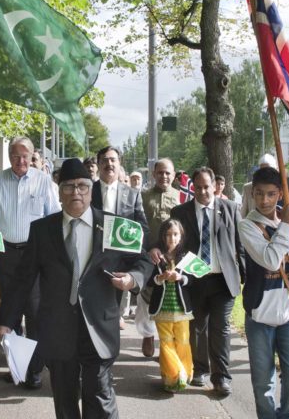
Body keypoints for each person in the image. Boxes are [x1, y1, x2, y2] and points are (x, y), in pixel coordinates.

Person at [0, 158, 154, 419]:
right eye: (68, 187)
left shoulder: (113, 226)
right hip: (58, 326)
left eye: (82, 187)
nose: (75, 193)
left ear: (90, 190)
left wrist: (133, 279)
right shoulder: (43, 229)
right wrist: (6, 321)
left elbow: (142, 260)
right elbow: (23, 279)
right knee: (64, 393)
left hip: (99, 324)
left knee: (99, 396)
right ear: (59, 191)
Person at [238, 166, 289, 419]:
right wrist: (285, 228)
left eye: (271, 194)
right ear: (253, 194)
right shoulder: (247, 225)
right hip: (260, 316)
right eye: (259, 194)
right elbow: (268, 258)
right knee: (262, 385)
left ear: (279, 194)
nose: (265, 200)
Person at [0, 137, 60, 389]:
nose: (20, 160)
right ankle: (18, 366)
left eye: (25, 155)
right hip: (6, 255)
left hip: (35, 256)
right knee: (10, 313)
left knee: (34, 312)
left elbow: (55, 218)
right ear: (9, 156)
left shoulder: (43, 181)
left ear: (33, 155)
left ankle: (34, 371)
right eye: (15, 155)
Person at [155, 167, 243, 397]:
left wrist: (242, 275)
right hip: (193, 279)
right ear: (192, 187)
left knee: (221, 328)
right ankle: (200, 369)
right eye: (199, 187)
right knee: (198, 327)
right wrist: (157, 252)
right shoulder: (180, 212)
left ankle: (221, 377)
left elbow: (239, 245)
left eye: (207, 186)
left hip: (223, 280)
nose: (203, 191)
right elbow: (170, 241)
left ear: (215, 185)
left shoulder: (230, 209)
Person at [90, 146, 149, 326]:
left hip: (119, 262)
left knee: (113, 311)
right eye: (105, 160)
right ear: (99, 164)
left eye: (113, 160)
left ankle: (110, 349)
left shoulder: (132, 194)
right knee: (92, 310)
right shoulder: (87, 191)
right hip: (91, 260)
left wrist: (133, 240)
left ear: (119, 163)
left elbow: (143, 227)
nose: (109, 164)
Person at [137, 158, 180, 358]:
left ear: (174, 175)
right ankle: (147, 334)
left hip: (171, 256)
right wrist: (149, 249)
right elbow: (138, 226)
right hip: (148, 254)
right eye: (160, 173)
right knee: (146, 296)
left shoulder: (181, 197)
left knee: (169, 297)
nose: (164, 176)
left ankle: (168, 343)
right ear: (153, 174)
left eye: (168, 173)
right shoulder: (142, 196)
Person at [147, 219, 194, 392]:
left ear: (181, 236)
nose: (171, 238)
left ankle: (185, 372)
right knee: (166, 341)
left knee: (183, 340)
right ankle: (173, 376)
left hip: (182, 308)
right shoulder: (156, 257)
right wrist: (160, 278)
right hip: (162, 307)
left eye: (175, 234)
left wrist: (181, 278)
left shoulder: (187, 257)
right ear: (162, 236)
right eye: (167, 235)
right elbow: (149, 280)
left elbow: (194, 279)